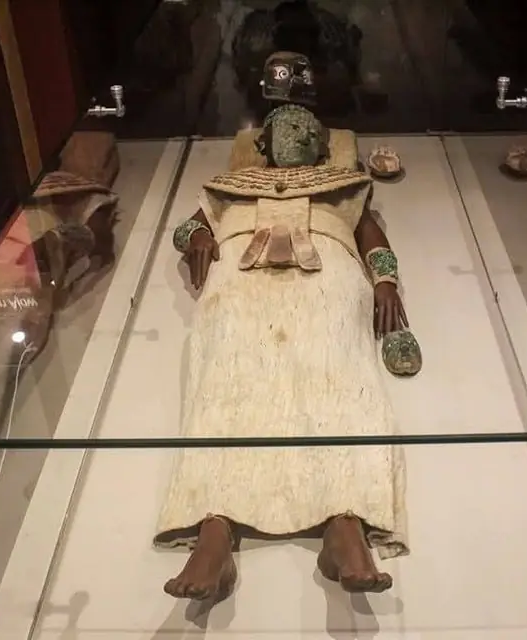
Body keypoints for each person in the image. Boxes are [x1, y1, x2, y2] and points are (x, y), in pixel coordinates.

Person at [155, 102, 413, 602]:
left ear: (323, 148)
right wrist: (201, 235)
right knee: (225, 376)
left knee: (339, 377)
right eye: (288, 128)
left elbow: (370, 235)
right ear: (263, 144)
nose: (300, 136)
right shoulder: (233, 187)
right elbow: (186, 229)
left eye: (310, 132)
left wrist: (384, 281)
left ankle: (344, 521)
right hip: (239, 280)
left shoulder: (341, 185)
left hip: (329, 277)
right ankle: (213, 529)